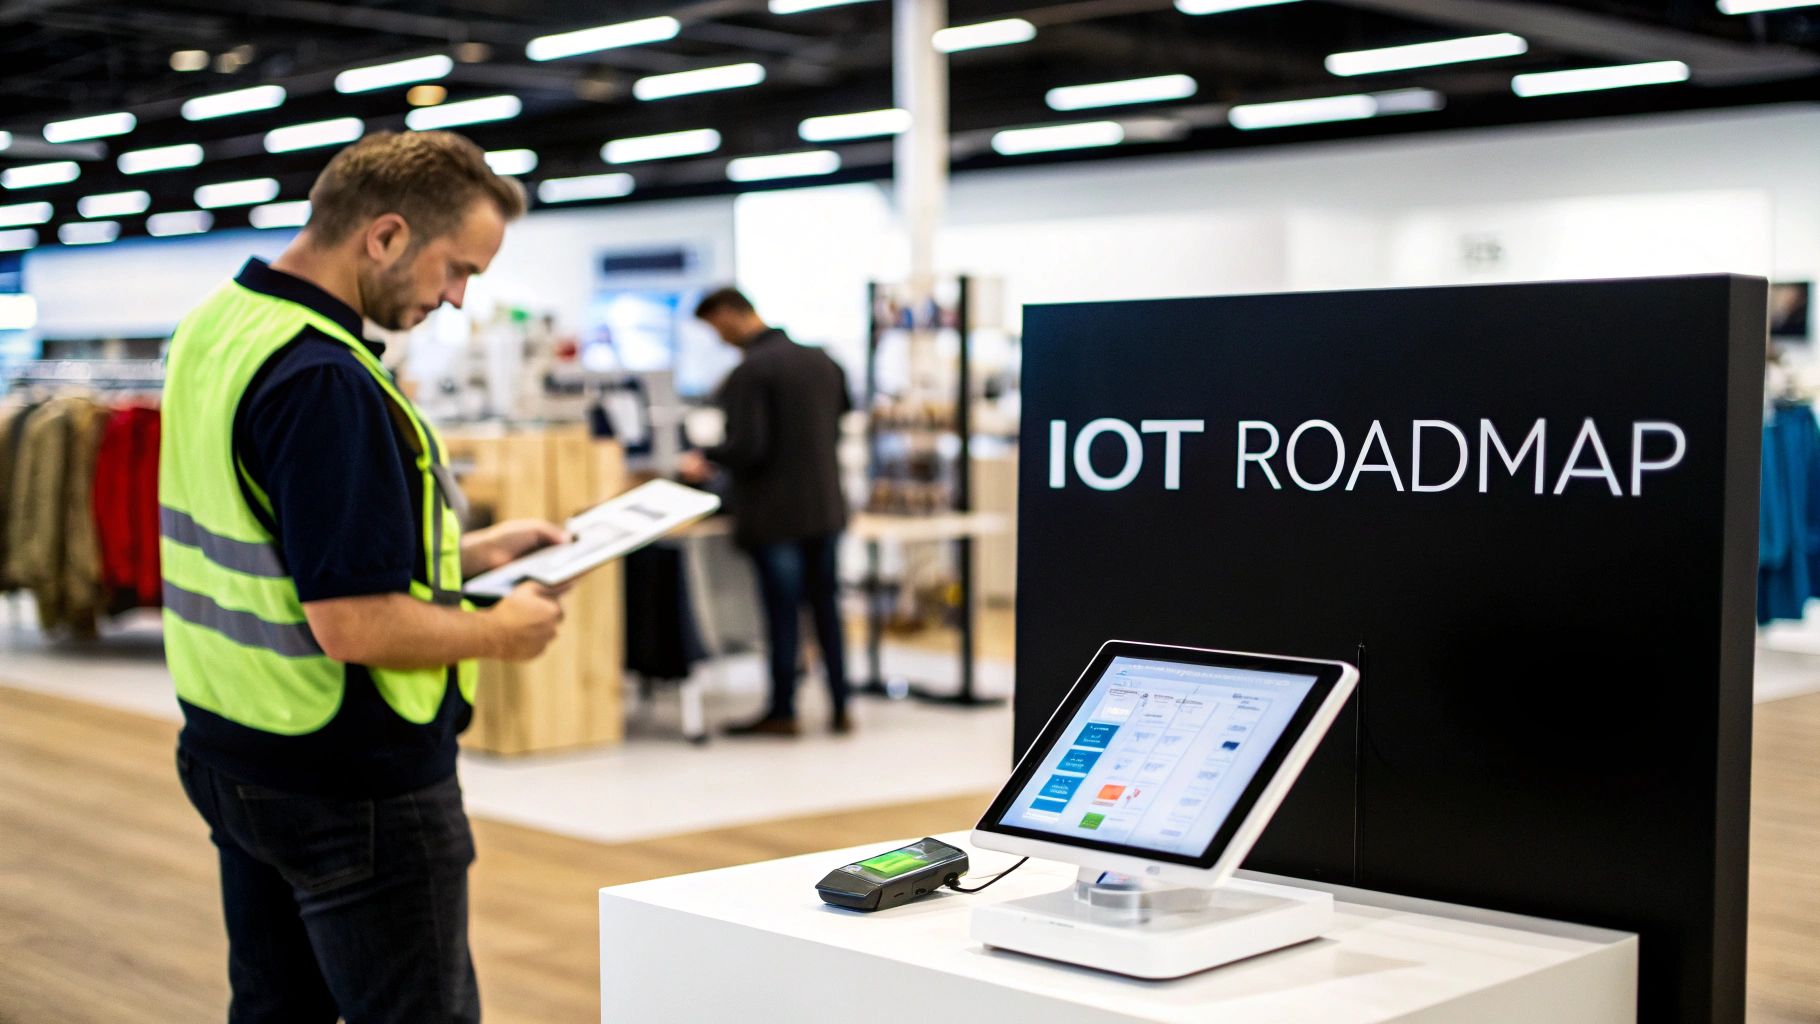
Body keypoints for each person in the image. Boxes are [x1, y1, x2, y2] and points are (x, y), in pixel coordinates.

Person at [161, 131, 569, 1024]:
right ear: (384, 237)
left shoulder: (219, 325)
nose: (457, 299)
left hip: (235, 744)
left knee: (275, 1010)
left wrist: (473, 554)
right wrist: (506, 629)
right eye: (456, 269)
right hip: (350, 780)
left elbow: (274, 539)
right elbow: (355, 623)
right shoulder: (324, 378)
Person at [680, 287, 853, 737]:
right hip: (825, 507)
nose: (718, 338)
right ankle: (841, 706)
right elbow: (840, 420)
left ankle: (783, 710)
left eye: (715, 327)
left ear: (729, 314)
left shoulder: (750, 372)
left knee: (782, 615)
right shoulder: (823, 361)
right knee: (826, 609)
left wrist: (706, 456)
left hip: (777, 516)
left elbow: (748, 447)